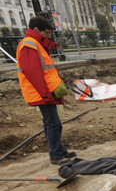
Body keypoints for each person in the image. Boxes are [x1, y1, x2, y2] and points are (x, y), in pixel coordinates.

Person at [16, 16, 75, 165]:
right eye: (47, 33)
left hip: (45, 90)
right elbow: (33, 73)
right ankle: (56, 155)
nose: (49, 36)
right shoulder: (29, 45)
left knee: (51, 122)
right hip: (41, 92)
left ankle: (59, 151)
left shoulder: (35, 43)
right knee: (53, 123)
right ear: (36, 30)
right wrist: (45, 93)